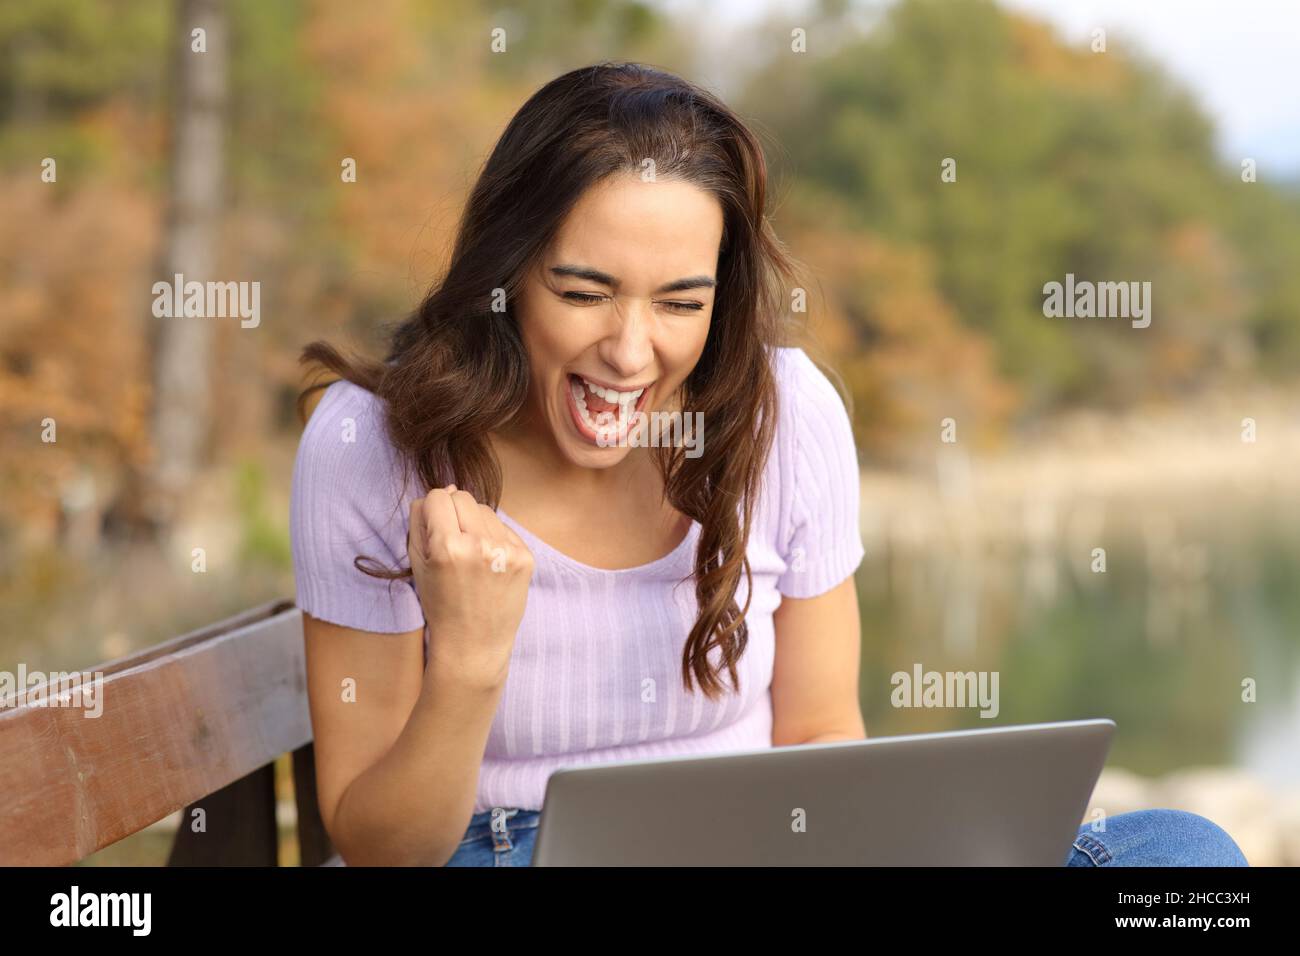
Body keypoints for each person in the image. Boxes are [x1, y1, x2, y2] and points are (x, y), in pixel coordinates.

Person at [288, 61, 1247, 868]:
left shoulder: (786, 415)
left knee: (1185, 858)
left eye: (679, 303)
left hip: (760, 848)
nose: (630, 351)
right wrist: (468, 660)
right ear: (503, 275)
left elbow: (824, 734)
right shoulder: (372, 443)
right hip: (494, 849)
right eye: (583, 292)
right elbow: (379, 848)